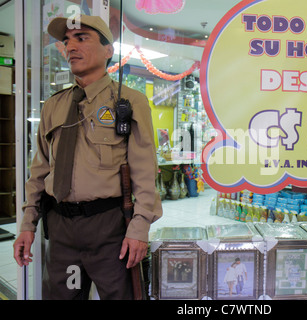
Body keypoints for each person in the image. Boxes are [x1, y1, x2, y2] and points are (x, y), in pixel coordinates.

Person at [12, 15, 162, 299]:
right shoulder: (54, 106)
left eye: (82, 38)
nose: (70, 47)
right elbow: (40, 171)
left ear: (108, 50)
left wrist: (139, 228)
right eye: (66, 41)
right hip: (61, 229)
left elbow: (145, 172)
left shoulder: (129, 102)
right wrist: (28, 224)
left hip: (109, 229)